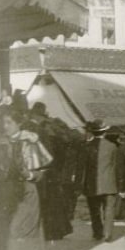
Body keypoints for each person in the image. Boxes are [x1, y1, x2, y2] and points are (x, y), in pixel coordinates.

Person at [2, 110, 50, 250]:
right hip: (7, 193)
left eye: (8, 122)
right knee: (22, 231)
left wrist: (31, 174)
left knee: (18, 230)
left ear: (18, 124)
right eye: (4, 122)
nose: (5, 126)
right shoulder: (2, 142)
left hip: (27, 192)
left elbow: (44, 169)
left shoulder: (30, 141)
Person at [27, 102, 73, 241]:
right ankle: (55, 231)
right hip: (50, 170)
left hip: (38, 169)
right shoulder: (47, 129)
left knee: (43, 201)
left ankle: (48, 231)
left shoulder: (31, 128)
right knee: (53, 201)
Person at [83, 120, 118, 242]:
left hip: (91, 183)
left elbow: (83, 167)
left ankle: (97, 233)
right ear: (105, 132)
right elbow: (114, 165)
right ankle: (107, 234)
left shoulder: (86, 147)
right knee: (109, 209)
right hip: (108, 183)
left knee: (94, 210)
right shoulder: (112, 146)